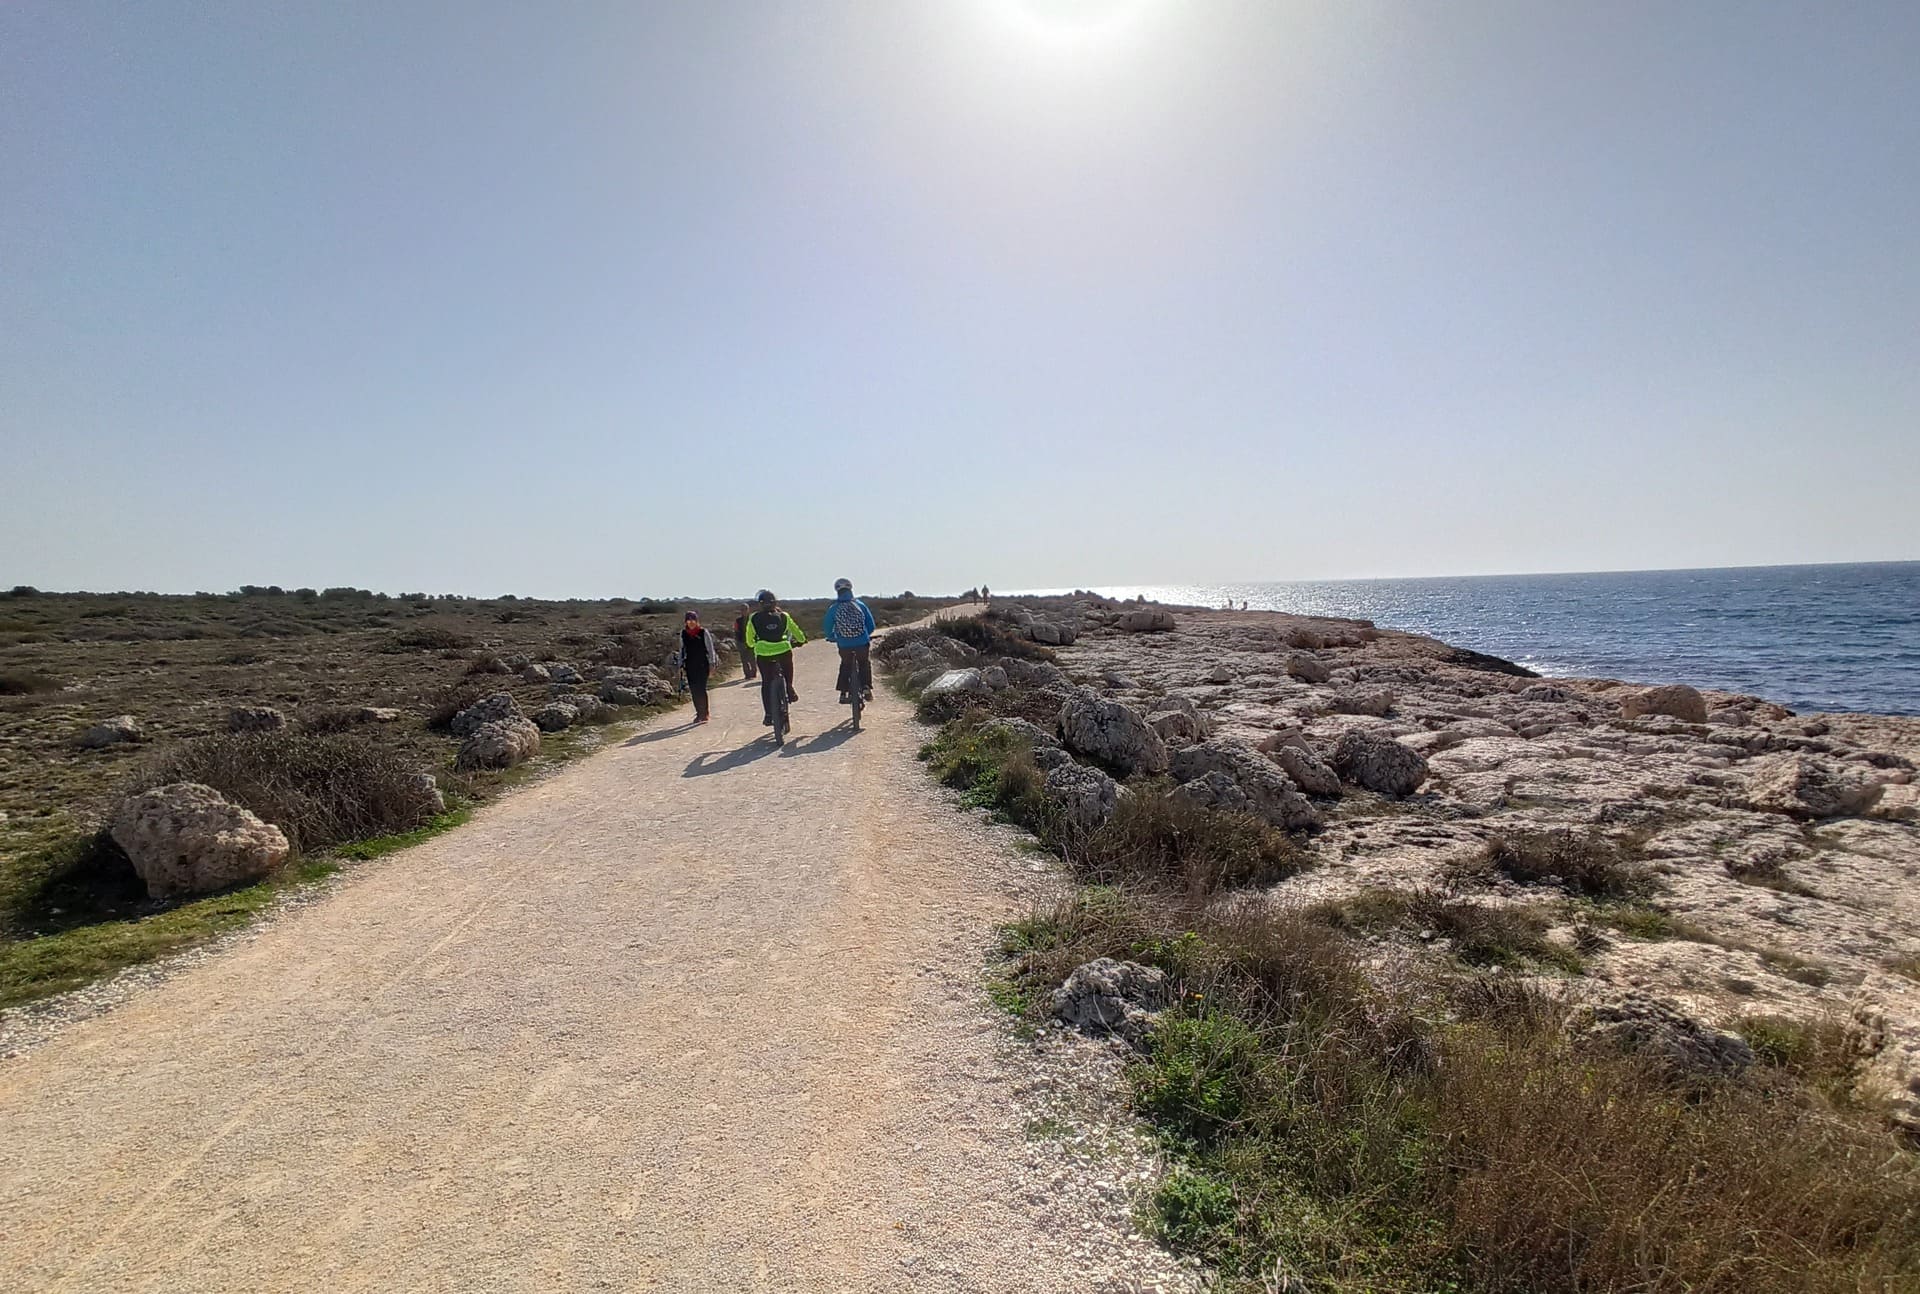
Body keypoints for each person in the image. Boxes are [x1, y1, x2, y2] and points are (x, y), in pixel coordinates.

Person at [744, 589, 806, 725]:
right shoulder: (784, 616)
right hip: (783, 650)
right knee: (788, 671)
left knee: (766, 682)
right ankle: (789, 688)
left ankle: (768, 714)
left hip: (763, 654)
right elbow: (796, 631)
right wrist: (801, 640)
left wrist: (753, 644)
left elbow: (749, 639)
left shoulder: (754, 617)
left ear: (760, 604)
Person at [821, 577, 876, 704]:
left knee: (845, 664)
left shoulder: (834, 608)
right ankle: (866, 687)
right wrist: (865, 635)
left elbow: (828, 627)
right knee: (864, 663)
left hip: (844, 644)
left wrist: (832, 637)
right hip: (862, 642)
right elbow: (871, 625)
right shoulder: (860, 605)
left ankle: (843, 692)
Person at [679, 611, 719, 724]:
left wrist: (712, 664)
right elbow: (681, 650)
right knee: (693, 690)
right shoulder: (683, 634)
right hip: (690, 665)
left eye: (693, 620)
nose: (691, 622)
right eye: (688, 620)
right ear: (686, 622)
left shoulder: (703, 632)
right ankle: (698, 713)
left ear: (697, 621)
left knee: (701, 689)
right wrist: (680, 665)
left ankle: (704, 713)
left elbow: (711, 650)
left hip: (703, 664)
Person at [732, 603, 757, 681]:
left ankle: (753, 672)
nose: (743, 611)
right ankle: (747, 674)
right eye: (742, 609)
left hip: (751, 641)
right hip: (741, 641)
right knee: (744, 659)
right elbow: (736, 630)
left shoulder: (752, 619)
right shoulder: (738, 620)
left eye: (745, 609)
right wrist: (737, 640)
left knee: (752, 658)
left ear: (748, 610)